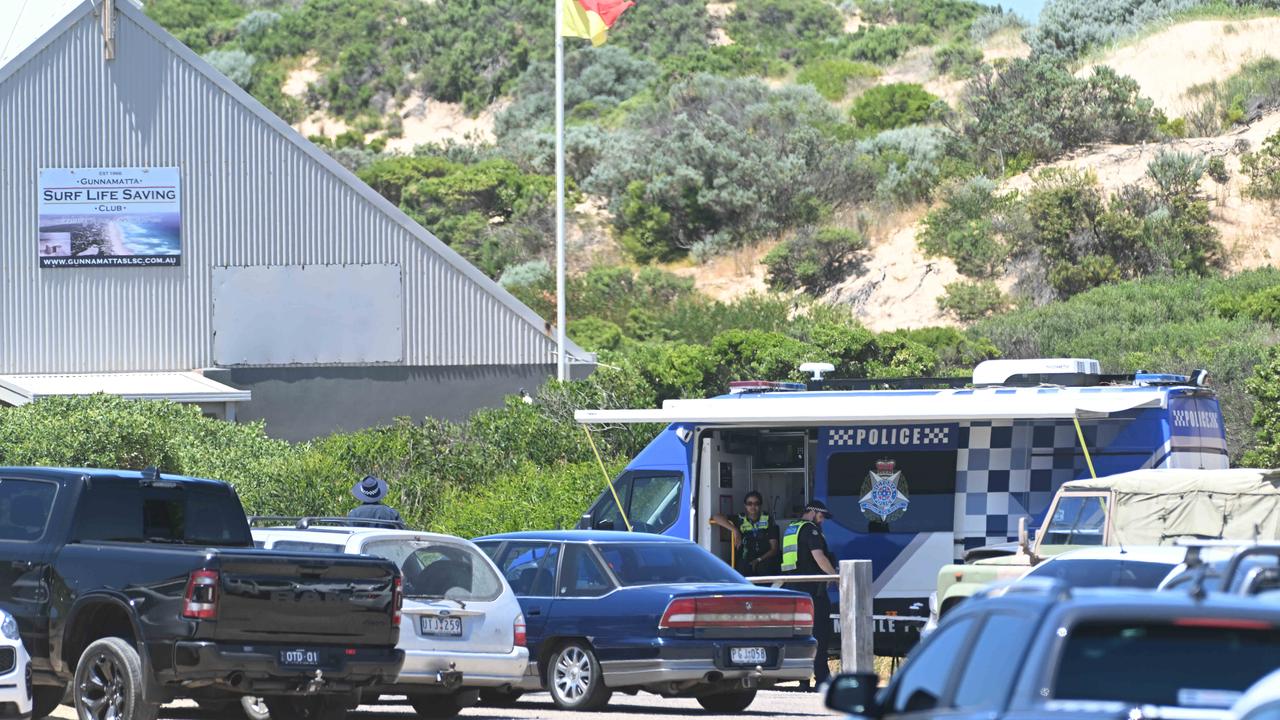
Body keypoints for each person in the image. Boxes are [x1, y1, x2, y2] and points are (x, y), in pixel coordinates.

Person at [782, 500, 838, 691]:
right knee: (819, 635)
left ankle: (803, 678)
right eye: (821, 516)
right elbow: (819, 557)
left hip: (795, 592)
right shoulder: (810, 530)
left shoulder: (792, 529)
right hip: (813, 592)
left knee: (802, 636)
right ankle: (822, 678)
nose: (821, 521)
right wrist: (836, 577)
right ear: (813, 512)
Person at [710, 491, 780, 576]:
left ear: (760, 505)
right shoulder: (740, 519)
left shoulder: (768, 520)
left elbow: (774, 549)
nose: (753, 506)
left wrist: (758, 560)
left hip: (764, 560)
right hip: (745, 560)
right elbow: (716, 517)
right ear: (745, 506)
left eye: (756, 503)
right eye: (749, 503)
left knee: (765, 568)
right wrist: (735, 530)